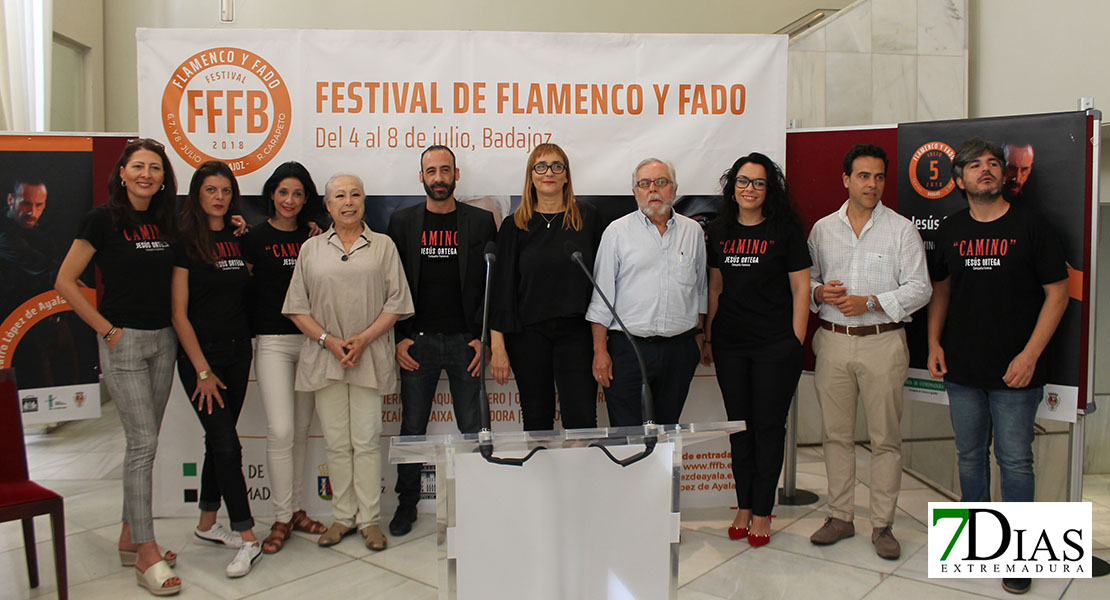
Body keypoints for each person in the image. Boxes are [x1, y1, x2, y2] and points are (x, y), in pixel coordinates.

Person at [926, 137, 1068, 596]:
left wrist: (1030, 356)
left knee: (1015, 460)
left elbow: (1058, 293)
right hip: (963, 369)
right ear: (958, 180)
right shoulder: (950, 229)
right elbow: (941, 290)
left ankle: (1017, 555)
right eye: (974, 165)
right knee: (969, 457)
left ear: (1005, 175)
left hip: (1016, 373)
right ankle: (978, 544)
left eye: (992, 164)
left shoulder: (1033, 225)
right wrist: (932, 342)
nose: (985, 170)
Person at [54, 138, 182, 595]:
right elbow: (65, 281)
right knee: (142, 443)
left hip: (163, 341)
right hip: (122, 342)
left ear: (164, 177)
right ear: (123, 172)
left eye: (155, 167)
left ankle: (131, 533)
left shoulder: (167, 220)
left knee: (145, 444)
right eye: (138, 166)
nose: (146, 174)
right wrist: (106, 331)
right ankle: (146, 550)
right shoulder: (102, 218)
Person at [807, 144, 931, 560]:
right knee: (835, 435)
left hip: (883, 340)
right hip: (833, 341)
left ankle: (883, 525)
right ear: (846, 179)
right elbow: (806, 284)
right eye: (863, 176)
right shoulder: (823, 229)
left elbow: (920, 289)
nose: (872, 184)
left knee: (885, 439)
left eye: (879, 177)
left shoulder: (901, 230)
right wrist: (820, 292)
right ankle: (840, 516)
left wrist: (871, 302)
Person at [283, 173, 413, 551]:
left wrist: (363, 340)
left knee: (367, 441)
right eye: (339, 195)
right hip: (326, 357)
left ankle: (370, 520)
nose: (348, 201)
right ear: (327, 205)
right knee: (337, 442)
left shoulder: (383, 246)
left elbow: (397, 303)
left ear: (364, 201)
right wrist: (330, 341)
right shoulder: (311, 250)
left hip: (369, 355)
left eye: (355, 194)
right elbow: (296, 308)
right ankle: (343, 516)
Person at [385, 146, 496, 537]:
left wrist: (484, 339)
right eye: (431, 171)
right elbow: (390, 285)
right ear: (421, 177)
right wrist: (398, 338)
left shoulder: (481, 222)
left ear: (456, 174)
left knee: (474, 426)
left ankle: (481, 500)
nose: (438, 177)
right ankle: (406, 504)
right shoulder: (402, 223)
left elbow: (490, 286)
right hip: (417, 343)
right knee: (412, 427)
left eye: (444, 170)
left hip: (466, 342)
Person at [704, 153, 810, 548]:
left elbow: (801, 289)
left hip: (775, 347)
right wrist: (710, 336)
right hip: (731, 345)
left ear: (770, 190)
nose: (749, 189)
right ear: (733, 187)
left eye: (758, 183)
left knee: (768, 429)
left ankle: (763, 510)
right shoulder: (718, 230)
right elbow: (716, 288)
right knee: (739, 428)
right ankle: (743, 505)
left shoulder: (785, 231)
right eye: (743, 181)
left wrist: (795, 342)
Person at [171, 161, 261, 578]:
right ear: (197, 193)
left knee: (216, 440)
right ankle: (247, 537)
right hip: (201, 360)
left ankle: (208, 525)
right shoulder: (185, 241)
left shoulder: (238, 236)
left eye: (225, 190)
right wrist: (202, 371)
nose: (219, 197)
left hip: (238, 352)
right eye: (211, 190)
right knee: (227, 444)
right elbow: (179, 314)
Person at [240, 161, 328, 554]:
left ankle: (295, 512)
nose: (289, 200)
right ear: (271, 195)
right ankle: (280, 515)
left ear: (306, 199)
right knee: (280, 431)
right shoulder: (253, 239)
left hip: (311, 343)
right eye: (283, 192)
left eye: (297, 194)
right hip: (273, 342)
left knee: (301, 431)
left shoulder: (315, 240)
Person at [489, 143, 602, 431]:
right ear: (531, 176)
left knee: (582, 420)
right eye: (540, 166)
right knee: (537, 421)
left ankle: (580, 476)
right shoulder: (514, 225)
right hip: (528, 336)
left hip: (577, 333)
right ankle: (541, 476)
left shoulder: (587, 218)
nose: (548, 172)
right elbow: (500, 290)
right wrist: (498, 347)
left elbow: (603, 281)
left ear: (566, 176)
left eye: (556, 166)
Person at [586, 158, 707, 427]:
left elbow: (700, 290)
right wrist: (600, 351)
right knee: (627, 435)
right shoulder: (616, 232)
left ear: (674, 190)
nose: (653, 189)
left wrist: (698, 336)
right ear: (635, 192)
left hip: (679, 350)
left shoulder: (693, 231)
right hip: (627, 350)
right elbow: (601, 298)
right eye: (644, 183)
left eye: (661, 182)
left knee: (666, 434)